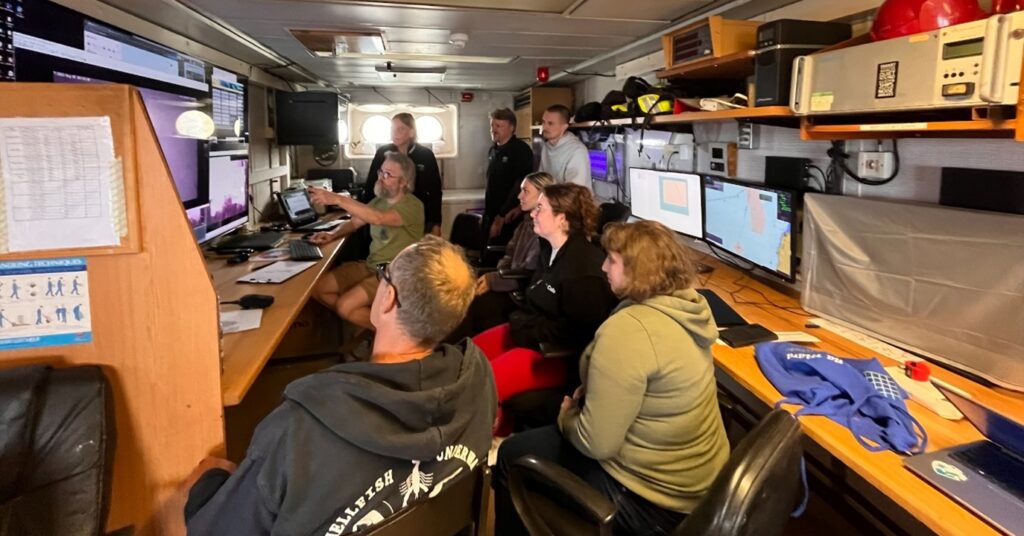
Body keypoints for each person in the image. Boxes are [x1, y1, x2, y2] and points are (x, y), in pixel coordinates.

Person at [184, 236, 498, 536]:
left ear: (387, 299)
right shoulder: (478, 378)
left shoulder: (299, 426)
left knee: (196, 482)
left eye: (384, 274)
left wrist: (206, 483)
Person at [493, 220, 731, 536]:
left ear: (639, 271)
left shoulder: (628, 331)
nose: (603, 267)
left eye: (613, 260)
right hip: (699, 487)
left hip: (649, 502)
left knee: (512, 455)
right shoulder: (688, 308)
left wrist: (567, 417)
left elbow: (595, 443)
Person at [473, 183, 617, 433]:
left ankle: (490, 446)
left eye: (540, 208)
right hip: (530, 332)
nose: (532, 214)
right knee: (470, 357)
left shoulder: (583, 270)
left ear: (561, 219)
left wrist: (525, 328)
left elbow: (578, 333)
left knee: (484, 384)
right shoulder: (548, 250)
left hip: (555, 356)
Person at [308, 151, 424, 329]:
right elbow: (354, 223)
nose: (381, 178)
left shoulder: (413, 205)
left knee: (345, 306)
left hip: (395, 273)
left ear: (403, 182)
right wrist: (332, 235)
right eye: (381, 172)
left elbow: (378, 218)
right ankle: (379, 324)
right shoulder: (379, 201)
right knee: (318, 289)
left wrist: (338, 199)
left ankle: (395, 335)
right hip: (372, 266)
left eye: (388, 174)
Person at [447, 172, 556, 341]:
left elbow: (528, 274)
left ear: (542, 194)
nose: (519, 196)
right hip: (506, 276)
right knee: (461, 280)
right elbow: (510, 253)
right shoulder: (525, 222)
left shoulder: (542, 230)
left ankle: (459, 351)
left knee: (468, 302)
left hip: (519, 291)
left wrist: (494, 279)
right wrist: (498, 273)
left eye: (525, 191)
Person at [361, 113, 443, 235]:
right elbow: (371, 185)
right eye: (392, 129)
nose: (395, 133)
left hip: (417, 215)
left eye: (400, 129)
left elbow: (435, 191)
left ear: (411, 132)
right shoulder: (382, 153)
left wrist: (436, 223)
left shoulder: (426, 155)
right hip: (387, 212)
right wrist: (366, 213)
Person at [483, 108, 534, 244]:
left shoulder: (521, 150)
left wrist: (502, 214)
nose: (493, 129)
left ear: (511, 128)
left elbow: (519, 185)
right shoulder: (493, 150)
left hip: (510, 214)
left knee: (504, 250)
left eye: (499, 126)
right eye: (492, 125)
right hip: (492, 210)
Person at [538, 105, 591, 190]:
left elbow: (573, 191)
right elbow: (541, 179)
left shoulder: (577, 151)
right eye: (543, 122)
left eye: (550, 123)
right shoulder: (546, 146)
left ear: (564, 127)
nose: (545, 127)